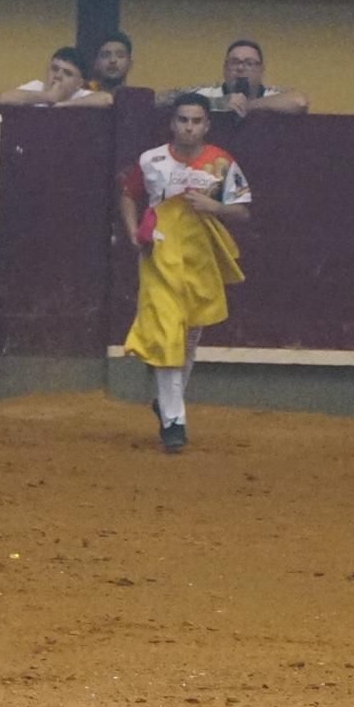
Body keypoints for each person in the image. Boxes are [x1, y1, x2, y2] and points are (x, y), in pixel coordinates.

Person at [118, 92, 252, 454]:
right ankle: (174, 421)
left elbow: (243, 211)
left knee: (189, 336)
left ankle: (166, 405)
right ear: (172, 123)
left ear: (206, 125)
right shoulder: (152, 160)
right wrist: (132, 229)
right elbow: (129, 193)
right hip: (160, 252)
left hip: (200, 256)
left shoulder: (221, 162)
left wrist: (213, 206)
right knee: (167, 330)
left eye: (196, 121)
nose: (189, 127)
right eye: (182, 120)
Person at [164, 40, 309, 115]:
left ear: (261, 70)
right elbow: (161, 100)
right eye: (234, 62)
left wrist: (248, 106)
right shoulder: (207, 92)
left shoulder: (273, 94)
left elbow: (299, 102)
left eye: (249, 63)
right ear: (225, 68)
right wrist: (219, 104)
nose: (240, 68)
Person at [0, 45, 111, 107]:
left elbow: (107, 99)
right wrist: (48, 97)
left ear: (79, 84)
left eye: (67, 73)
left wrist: (64, 105)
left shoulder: (80, 95)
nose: (58, 75)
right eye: (55, 69)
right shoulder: (36, 87)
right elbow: (4, 98)